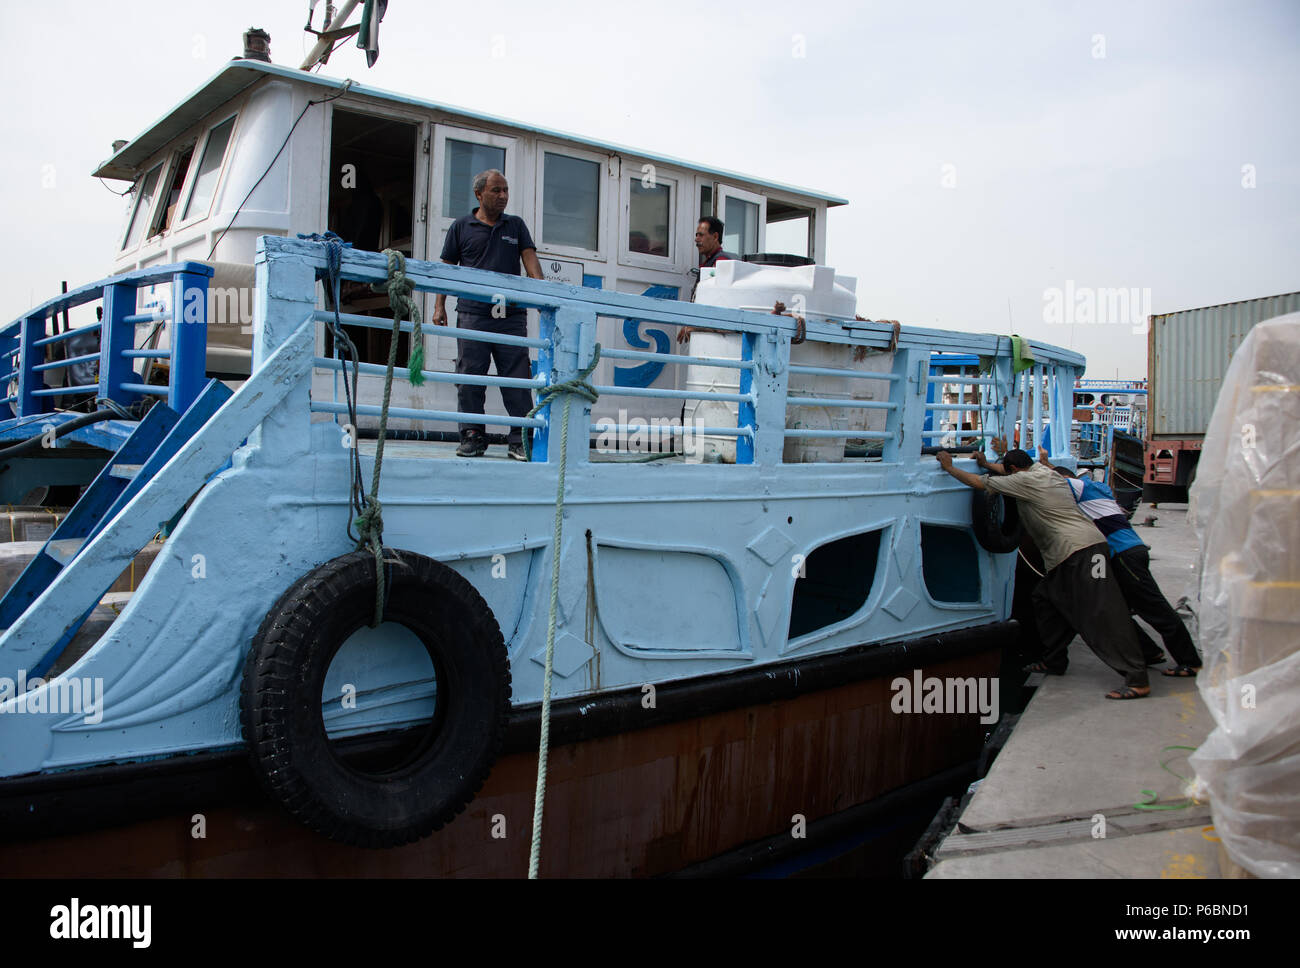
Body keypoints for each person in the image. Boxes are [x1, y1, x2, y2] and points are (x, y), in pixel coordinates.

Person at [936, 443, 1152, 699]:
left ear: (1015, 470)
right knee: (1045, 599)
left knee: (1101, 612)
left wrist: (949, 467)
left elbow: (977, 483)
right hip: (1076, 552)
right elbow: (1005, 473)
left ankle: (1137, 677)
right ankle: (1055, 660)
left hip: (1080, 552)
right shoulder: (1043, 472)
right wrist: (986, 464)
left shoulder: (1023, 482)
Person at [1037, 447, 1202, 677]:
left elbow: (1054, 481)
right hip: (1127, 552)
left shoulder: (1079, 487)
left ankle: (1190, 661)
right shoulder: (1101, 488)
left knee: (1156, 610)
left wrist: (1043, 465)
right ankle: (1149, 652)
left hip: (1125, 555)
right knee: (1118, 609)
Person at [433, 169, 544, 459]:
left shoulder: (515, 226)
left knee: (517, 378)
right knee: (470, 376)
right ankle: (472, 436)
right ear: (479, 194)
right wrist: (438, 305)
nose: (503, 196)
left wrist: (543, 296)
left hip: (511, 317)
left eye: (505, 190)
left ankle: (520, 438)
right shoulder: (461, 226)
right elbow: (445, 268)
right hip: (473, 314)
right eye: (496, 190)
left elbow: (531, 262)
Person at [680, 217, 741, 337]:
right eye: (696, 235)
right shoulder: (710, 262)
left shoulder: (721, 262)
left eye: (701, 235)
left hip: (715, 336)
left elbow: (719, 302)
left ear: (715, 237)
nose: (696, 239)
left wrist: (695, 326)